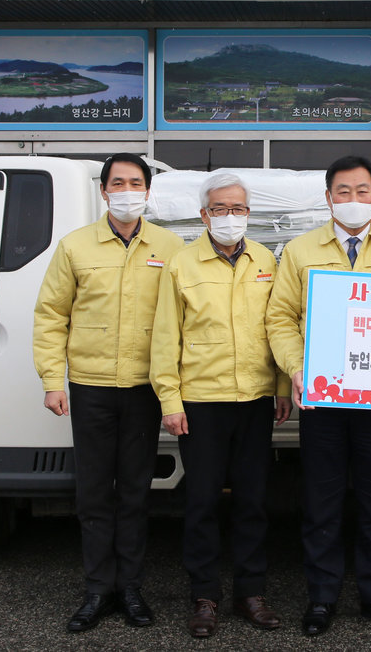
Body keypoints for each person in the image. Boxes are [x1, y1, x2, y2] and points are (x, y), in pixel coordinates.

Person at [266, 155, 371, 637]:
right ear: (328, 197)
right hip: (323, 402)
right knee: (323, 502)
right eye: (342, 192)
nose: (353, 201)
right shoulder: (298, 251)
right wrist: (296, 369)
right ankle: (322, 597)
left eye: (362, 191)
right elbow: (280, 318)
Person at [33, 153, 183, 633]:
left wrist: (173, 391)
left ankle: (131, 589)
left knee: (136, 493)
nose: (127, 191)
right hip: (91, 387)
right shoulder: (76, 247)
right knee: (95, 494)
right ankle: (98, 589)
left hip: (143, 389)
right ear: (103, 192)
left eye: (135, 183)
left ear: (147, 191)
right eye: (117, 183)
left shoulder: (170, 246)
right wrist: (52, 380)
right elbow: (51, 316)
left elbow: (182, 320)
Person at [149, 174, 292, 638]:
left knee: (253, 502)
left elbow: (278, 329)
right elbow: (166, 336)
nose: (230, 217)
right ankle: (204, 596)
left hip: (253, 401)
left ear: (248, 214)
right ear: (203, 215)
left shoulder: (266, 260)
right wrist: (170, 400)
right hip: (201, 402)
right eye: (220, 209)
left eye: (238, 209)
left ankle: (251, 593)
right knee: (203, 502)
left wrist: (282, 388)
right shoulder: (181, 265)